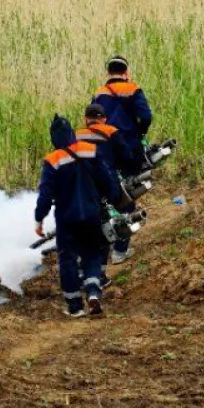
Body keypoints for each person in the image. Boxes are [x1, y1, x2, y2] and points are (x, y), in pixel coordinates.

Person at [35, 114, 124, 318]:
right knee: (92, 253)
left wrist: (39, 218)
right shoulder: (90, 150)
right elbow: (106, 177)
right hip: (92, 214)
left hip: (66, 219)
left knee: (67, 259)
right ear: (72, 134)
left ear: (54, 138)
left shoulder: (52, 160)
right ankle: (93, 293)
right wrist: (112, 196)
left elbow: (45, 195)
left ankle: (75, 306)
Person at [77, 102, 140, 263]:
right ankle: (119, 252)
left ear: (86, 119)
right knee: (128, 208)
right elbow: (126, 157)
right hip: (106, 185)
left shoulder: (74, 135)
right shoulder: (111, 131)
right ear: (104, 119)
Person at [90, 55, 153, 152]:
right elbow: (146, 117)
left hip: (107, 147)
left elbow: (91, 121)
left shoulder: (99, 93)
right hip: (130, 145)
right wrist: (140, 133)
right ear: (126, 72)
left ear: (108, 72)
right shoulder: (133, 90)